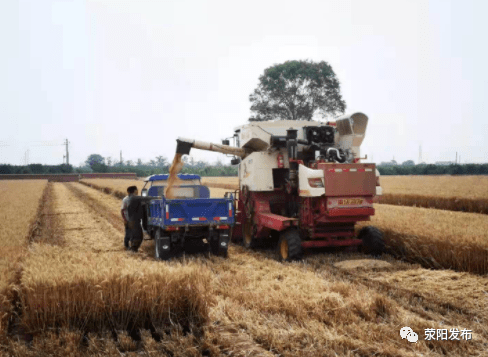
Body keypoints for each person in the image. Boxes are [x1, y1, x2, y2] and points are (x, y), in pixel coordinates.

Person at [121, 186, 138, 250]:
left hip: (135, 220)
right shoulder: (126, 199)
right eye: (136, 190)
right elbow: (122, 210)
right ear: (133, 191)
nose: (137, 191)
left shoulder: (137, 198)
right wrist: (125, 220)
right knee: (128, 234)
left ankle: (132, 247)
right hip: (128, 220)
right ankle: (126, 246)